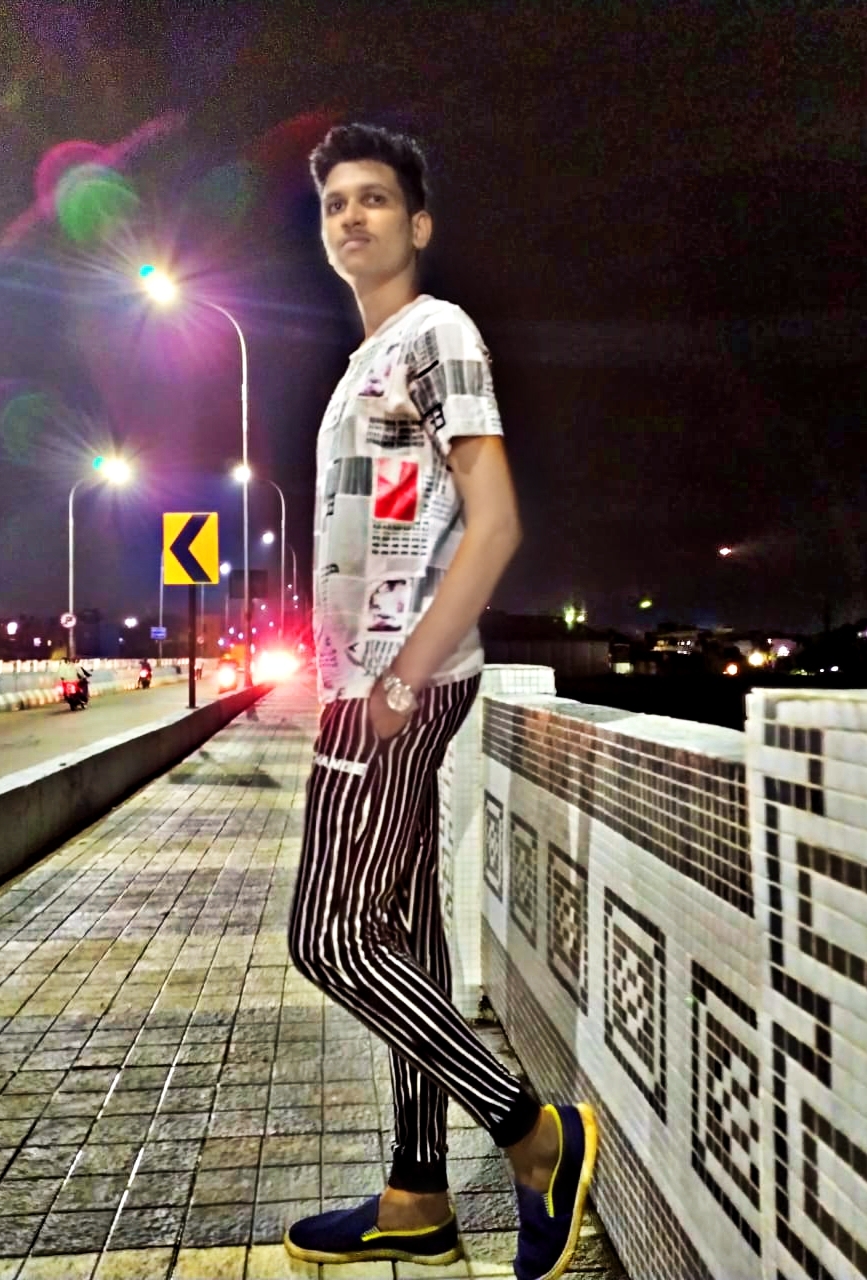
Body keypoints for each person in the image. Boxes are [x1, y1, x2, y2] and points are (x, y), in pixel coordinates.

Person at [284, 123, 596, 1280]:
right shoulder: (368, 362)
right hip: (375, 682)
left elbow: (495, 521)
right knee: (404, 928)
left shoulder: (437, 334)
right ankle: (417, 1194)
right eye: (334, 204)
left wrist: (402, 677)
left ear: (417, 223)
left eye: (374, 199)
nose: (350, 217)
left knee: (328, 935)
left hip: (392, 689)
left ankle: (536, 1136)